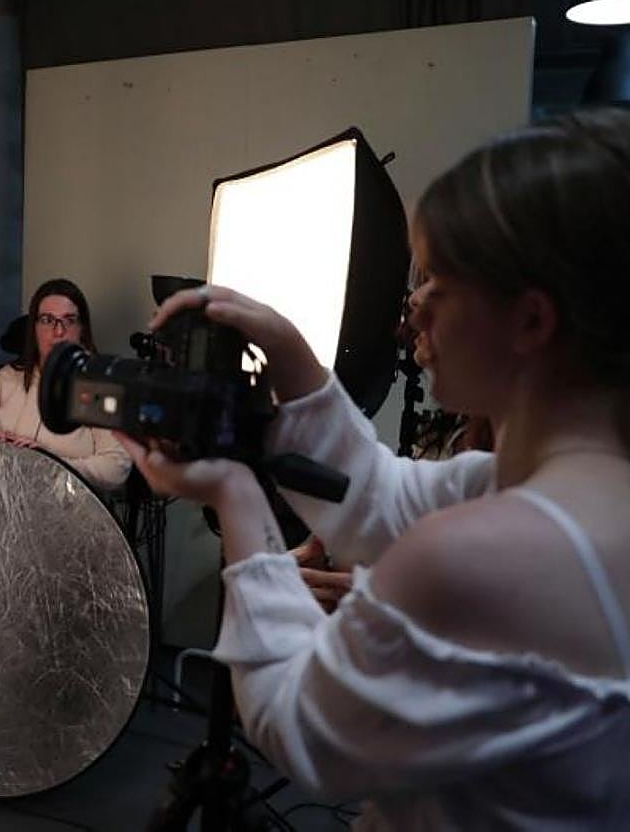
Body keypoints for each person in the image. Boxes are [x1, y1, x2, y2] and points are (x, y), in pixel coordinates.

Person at [116, 107, 630, 828]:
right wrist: (291, 353)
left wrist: (237, 496)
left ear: (530, 321)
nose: (414, 303)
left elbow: (299, 729)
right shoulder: (545, 493)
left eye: (438, 279)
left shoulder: (481, 551)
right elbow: (381, 497)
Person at [0, 278, 131, 490]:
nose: (58, 331)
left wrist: (51, 465)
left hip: (71, 506)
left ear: (82, 328)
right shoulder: (4, 381)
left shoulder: (100, 386)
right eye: (47, 320)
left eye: (69, 320)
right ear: (34, 328)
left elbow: (116, 468)